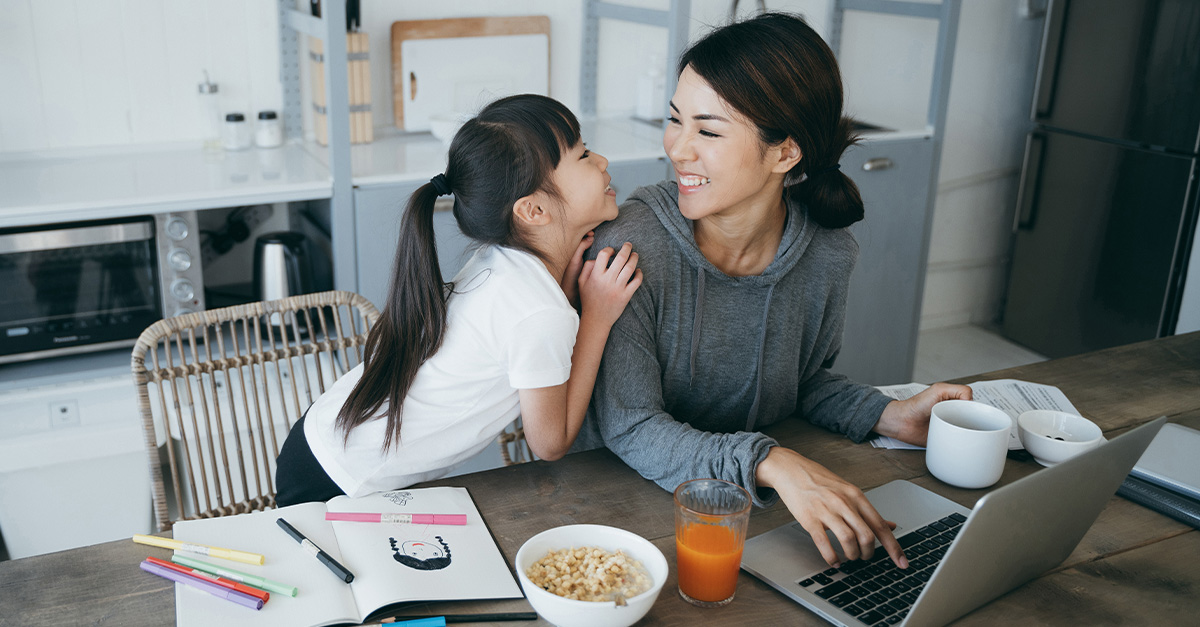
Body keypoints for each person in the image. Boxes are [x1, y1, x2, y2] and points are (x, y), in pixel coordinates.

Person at [573, 13, 972, 570]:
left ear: (785, 153)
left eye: (708, 131)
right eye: (675, 120)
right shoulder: (630, 246)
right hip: (612, 520)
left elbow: (802, 382)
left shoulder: (828, 254)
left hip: (750, 517)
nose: (678, 149)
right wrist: (776, 464)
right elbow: (632, 425)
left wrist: (888, 415)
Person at [275, 94, 642, 506]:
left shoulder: (506, 263)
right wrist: (595, 316)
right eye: (584, 155)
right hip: (337, 481)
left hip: (320, 440)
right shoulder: (539, 312)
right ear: (534, 209)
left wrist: (568, 296)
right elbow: (550, 443)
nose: (603, 161)